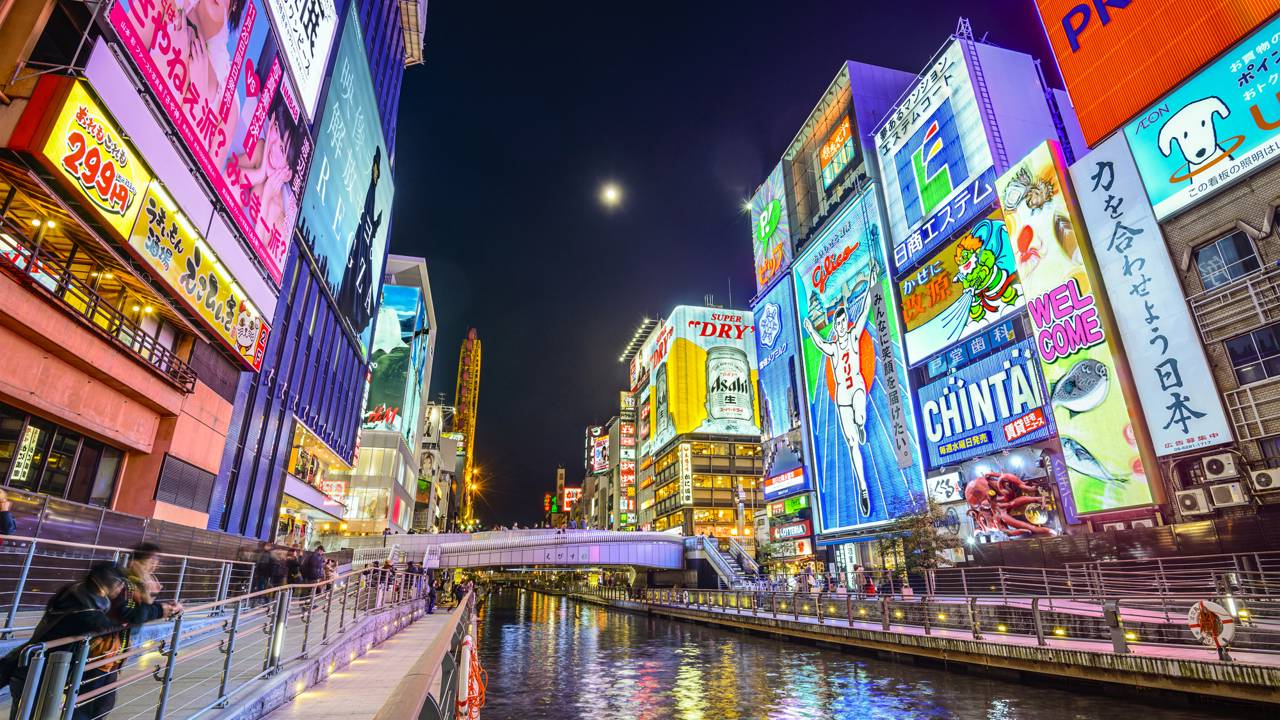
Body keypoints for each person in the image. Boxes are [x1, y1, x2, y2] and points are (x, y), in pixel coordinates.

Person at [4, 563, 177, 720]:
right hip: (38, 670)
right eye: (119, 584)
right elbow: (112, 625)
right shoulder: (84, 609)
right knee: (32, 712)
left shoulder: (79, 595)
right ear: (106, 584)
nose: (121, 589)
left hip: (42, 666)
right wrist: (154, 605)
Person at [801, 266, 877, 518]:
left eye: (844, 322)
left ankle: (861, 421)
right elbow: (821, 344)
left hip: (856, 386)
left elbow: (865, 310)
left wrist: (872, 285)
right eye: (839, 323)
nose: (842, 326)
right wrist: (811, 329)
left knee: (860, 412)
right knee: (852, 442)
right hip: (842, 395)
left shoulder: (854, 337)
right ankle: (863, 488)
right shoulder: (833, 347)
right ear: (836, 326)